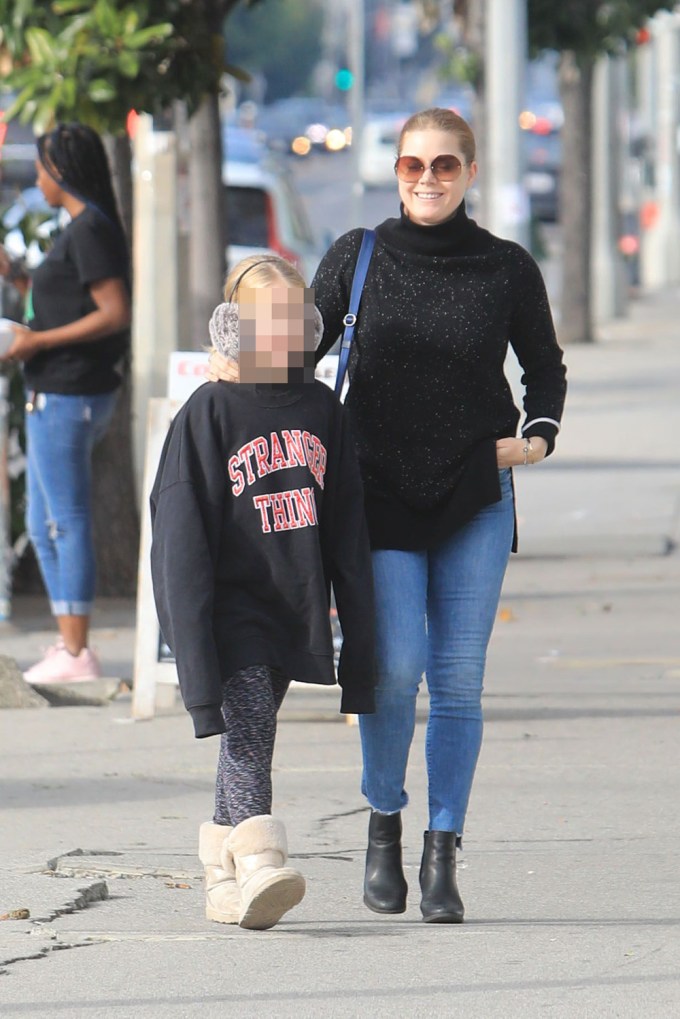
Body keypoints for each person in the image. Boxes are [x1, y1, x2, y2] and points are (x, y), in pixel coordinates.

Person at [310, 108, 567, 923]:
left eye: (445, 165)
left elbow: (545, 368)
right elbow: (296, 349)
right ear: (395, 171)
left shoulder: (505, 267)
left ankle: (441, 851)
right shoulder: (357, 257)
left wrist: (535, 439)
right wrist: (236, 360)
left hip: (473, 498)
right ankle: (383, 820)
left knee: (457, 681)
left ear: (470, 172)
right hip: (376, 492)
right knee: (391, 668)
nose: (428, 178)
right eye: (414, 165)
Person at [149, 255, 376, 931]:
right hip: (230, 609)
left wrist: (360, 637)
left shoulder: (320, 408)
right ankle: (261, 860)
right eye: (265, 318)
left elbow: (346, 524)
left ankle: (221, 873)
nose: (282, 330)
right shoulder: (209, 411)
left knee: (253, 727)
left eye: (293, 317)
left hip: (292, 609)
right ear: (234, 326)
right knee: (250, 733)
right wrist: (190, 649)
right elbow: (178, 538)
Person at [0, 123, 131, 684]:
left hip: (70, 391)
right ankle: (67, 643)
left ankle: (78, 653)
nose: (36, 176)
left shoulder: (90, 230)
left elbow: (113, 312)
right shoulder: (79, 228)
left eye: (42, 165)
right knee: (43, 516)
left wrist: (36, 343)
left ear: (63, 170)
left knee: (64, 521)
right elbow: (64, 301)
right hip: (55, 390)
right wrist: (20, 280)